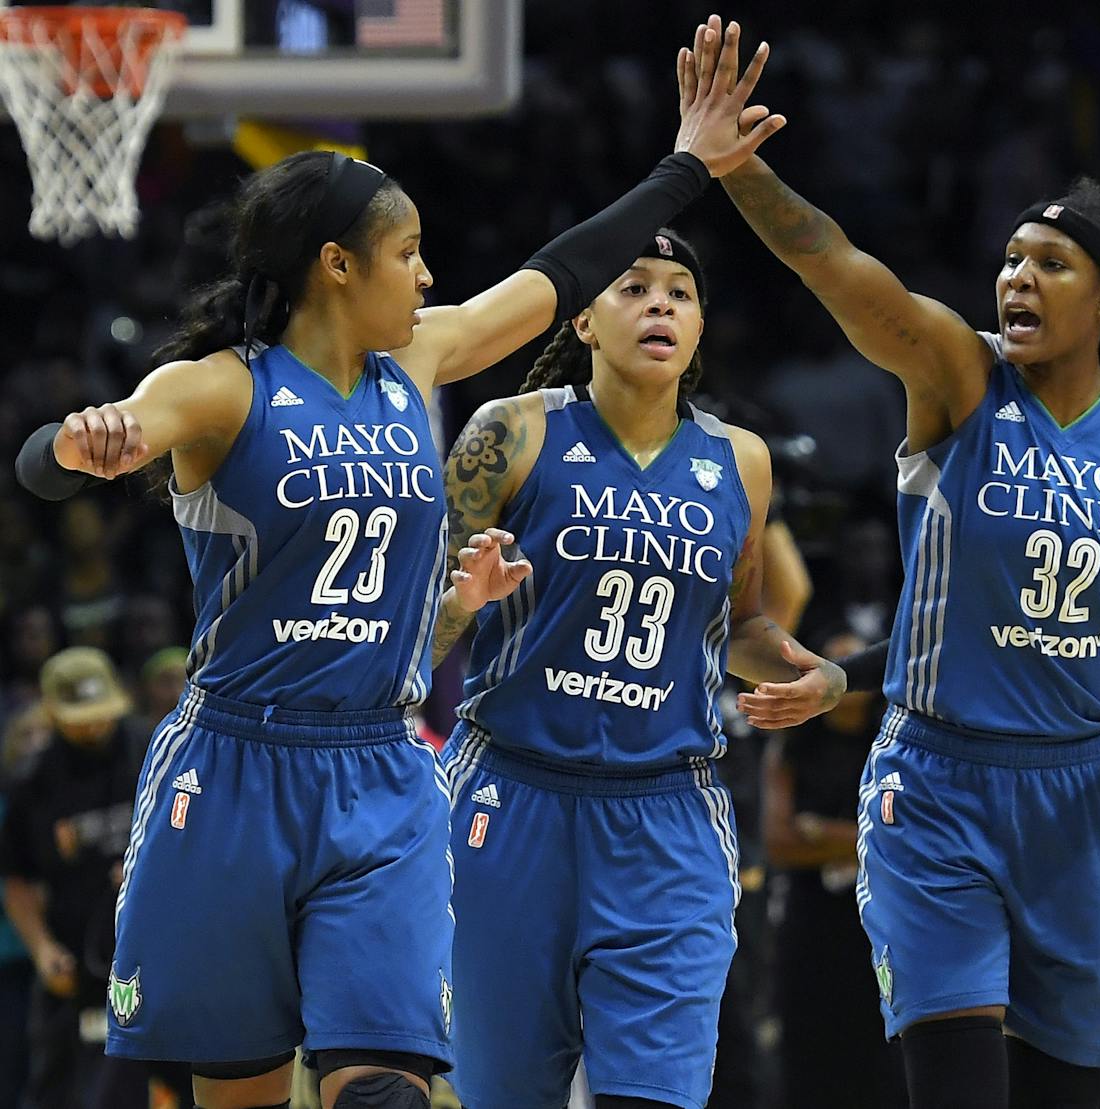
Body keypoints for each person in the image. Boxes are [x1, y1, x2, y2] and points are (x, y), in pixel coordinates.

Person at [11, 28, 785, 1107]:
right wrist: (83, 440)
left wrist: (687, 165)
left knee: (387, 1086)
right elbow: (67, 453)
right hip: (236, 764)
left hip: (379, 765)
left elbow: (559, 277)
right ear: (338, 264)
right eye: (407, 252)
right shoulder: (223, 388)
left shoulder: (416, 358)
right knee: (227, 1091)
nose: (427, 273)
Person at [689, 17, 1100, 1107]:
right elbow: (837, 265)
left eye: (1050, 263)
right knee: (955, 1082)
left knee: (1076, 1094)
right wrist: (736, 168)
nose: (1018, 276)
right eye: (1010, 258)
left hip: (1087, 794)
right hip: (940, 783)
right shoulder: (959, 374)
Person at [433, 220, 846, 1108]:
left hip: (665, 811)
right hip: (513, 798)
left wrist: (815, 672)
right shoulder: (509, 434)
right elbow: (411, 632)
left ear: (697, 328)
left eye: (680, 291)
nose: (658, 301)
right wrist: (462, 605)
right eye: (632, 285)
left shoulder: (741, 460)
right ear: (581, 319)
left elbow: (739, 626)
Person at [0, 647, 152, 1109]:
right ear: (51, 711)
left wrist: (148, 865)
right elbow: (17, 878)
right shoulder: (33, 781)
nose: (93, 726)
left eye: (101, 714)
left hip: (158, 953)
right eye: (80, 717)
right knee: (56, 1088)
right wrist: (43, 950)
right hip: (74, 960)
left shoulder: (153, 749)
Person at [764, 626, 906, 1109]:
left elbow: (901, 838)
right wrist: (858, 839)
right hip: (808, 919)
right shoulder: (796, 743)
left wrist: (822, 833)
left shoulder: (892, 745)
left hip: (877, 921)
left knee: (880, 1051)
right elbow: (778, 842)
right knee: (808, 1049)